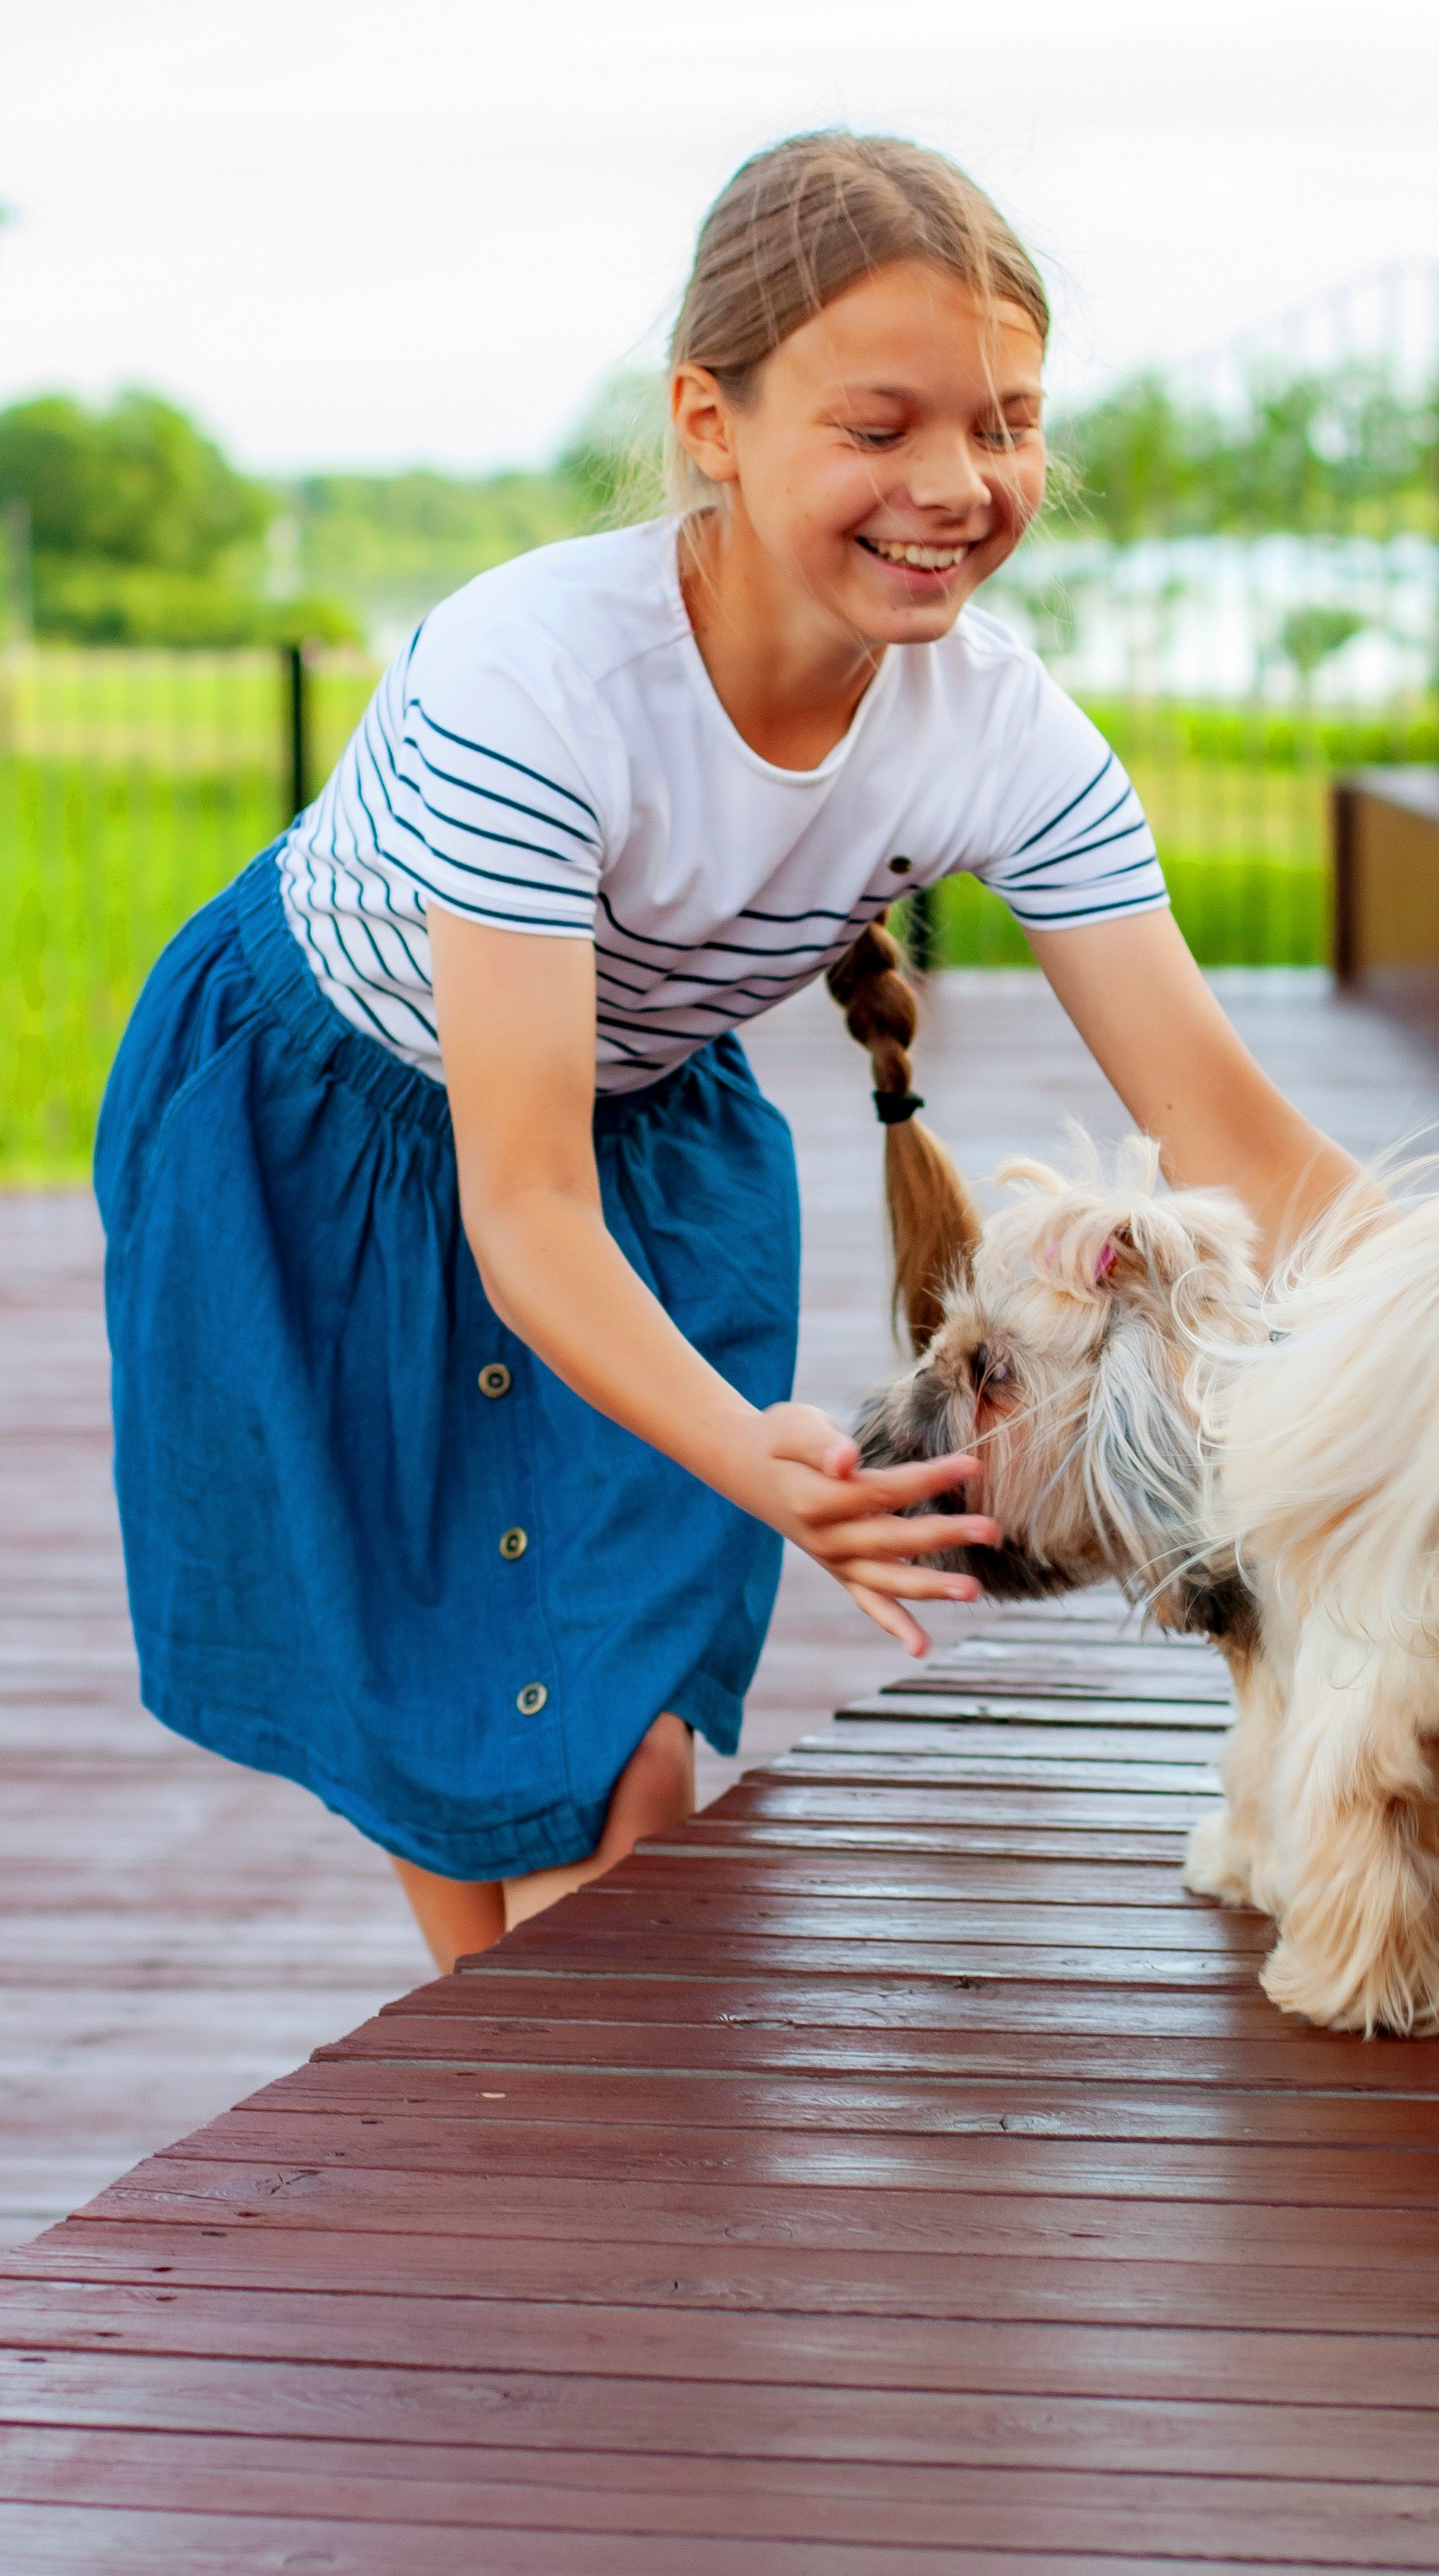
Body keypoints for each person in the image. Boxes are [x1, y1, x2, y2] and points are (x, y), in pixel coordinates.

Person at [95, 132, 1361, 1977]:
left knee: (619, 1775)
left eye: (1004, 422)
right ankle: (521, 2131)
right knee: (452, 1755)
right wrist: (759, 1462)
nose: (958, 482)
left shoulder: (997, 728)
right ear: (711, 420)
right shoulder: (537, 678)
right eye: (880, 427)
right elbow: (512, 1208)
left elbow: (1231, 1132)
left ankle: (553, 2138)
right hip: (327, 1148)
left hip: (637, 1152)